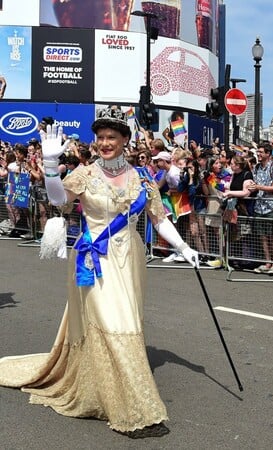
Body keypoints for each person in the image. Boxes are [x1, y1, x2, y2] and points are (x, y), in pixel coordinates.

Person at [0, 107, 199, 438]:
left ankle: (105, 386)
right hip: (94, 256)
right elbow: (57, 198)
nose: (105, 143)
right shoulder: (84, 174)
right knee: (113, 322)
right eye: (101, 137)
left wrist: (184, 248)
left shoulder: (142, 178)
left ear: (124, 140)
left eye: (112, 137)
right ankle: (133, 409)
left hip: (129, 258)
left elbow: (159, 218)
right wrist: (50, 166)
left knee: (128, 323)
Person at [250, 143, 273, 275]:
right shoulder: (256, 168)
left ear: (268, 153)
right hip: (259, 206)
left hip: (270, 206)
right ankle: (267, 261)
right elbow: (254, 183)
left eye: (261, 152)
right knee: (263, 236)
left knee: (272, 236)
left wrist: (258, 187)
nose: (258, 154)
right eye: (258, 152)